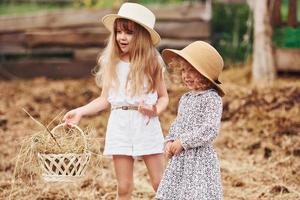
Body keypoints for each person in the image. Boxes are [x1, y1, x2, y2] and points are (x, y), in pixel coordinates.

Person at [63, 3, 168, 200]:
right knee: (124, 187)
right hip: (119, 125)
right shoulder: (111, 61)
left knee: (159, 183)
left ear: (143, 36)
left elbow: (164, 97)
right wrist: (81, 111)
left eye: (129, 33)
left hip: (146, 125)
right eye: (119, 31)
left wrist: (155, 109)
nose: (122, 37)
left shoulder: (152, 62)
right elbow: (105, 100)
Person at [155, 41, 224, 200]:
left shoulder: (212, 99)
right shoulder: (185, 98)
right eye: (184, 70)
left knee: (196, 194)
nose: (186, 75)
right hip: (181, 159)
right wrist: (170, 140)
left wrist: (184, 141)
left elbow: (210, 130)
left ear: (205, 73)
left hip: (199, 159)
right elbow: (178, 124)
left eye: (192, 70)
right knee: (177, 193)